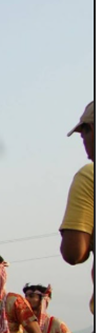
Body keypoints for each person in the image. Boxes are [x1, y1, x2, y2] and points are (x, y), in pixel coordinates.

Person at [60, 100, 94, 313]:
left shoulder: (90, 175)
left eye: (84, 135)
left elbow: (74, 253)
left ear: (91, 129)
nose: (84, 142)